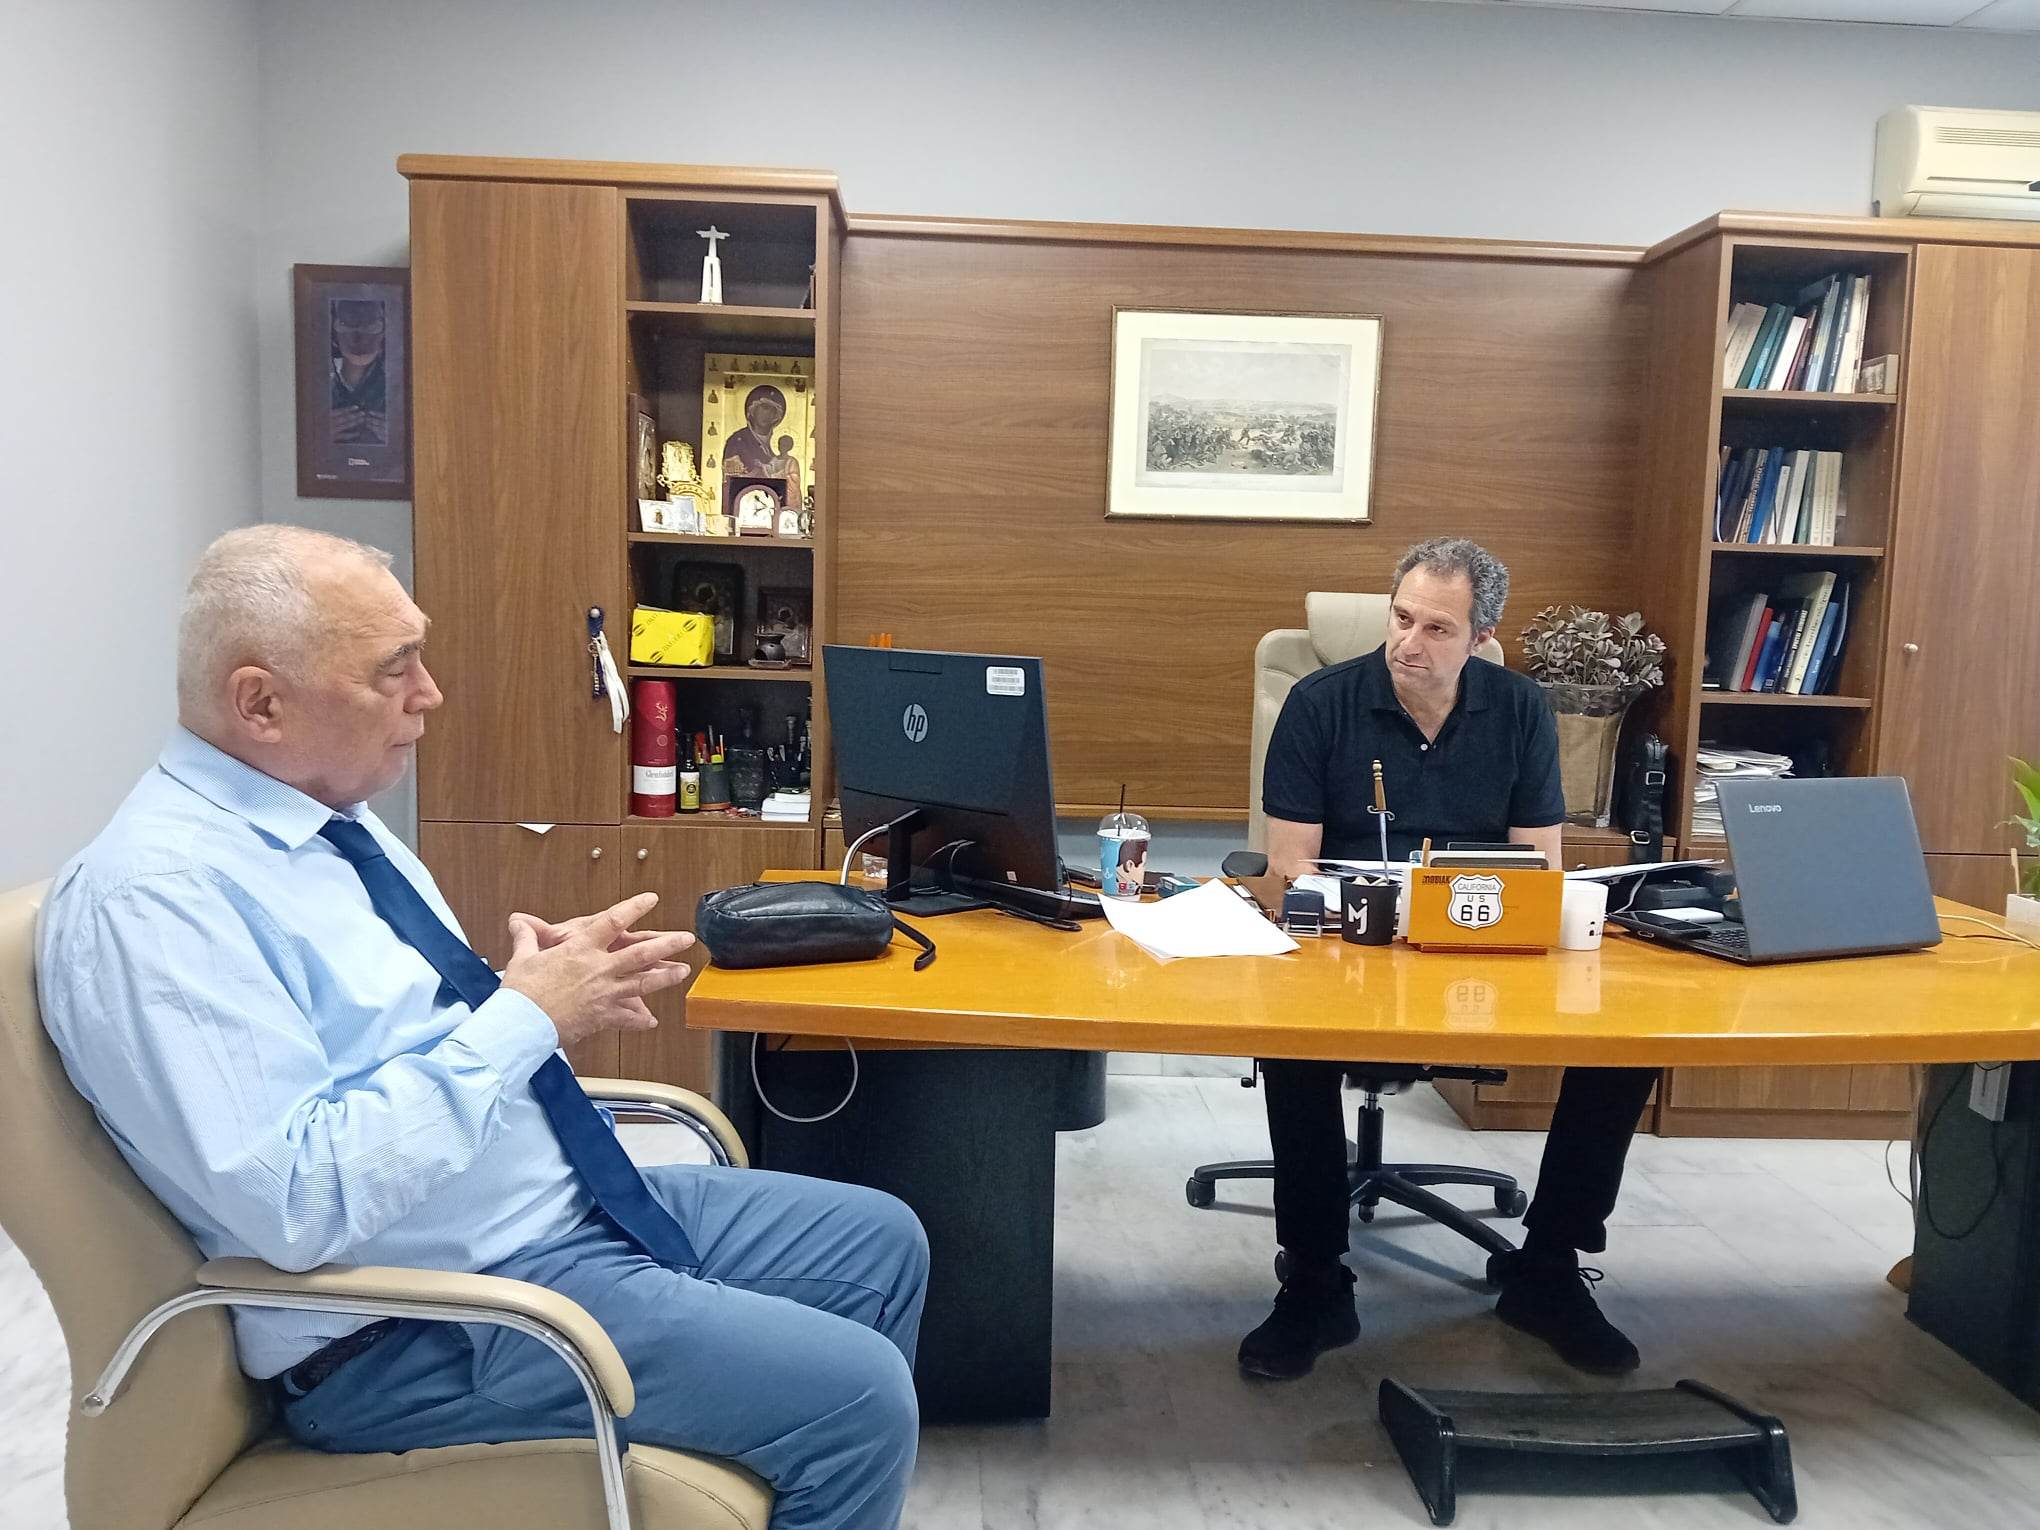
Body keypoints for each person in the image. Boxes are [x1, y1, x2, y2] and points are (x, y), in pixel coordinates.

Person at [38, 526, 928, 1530]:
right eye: (394, 669)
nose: (430, 694)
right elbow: (295, 1202)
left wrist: (524, 991)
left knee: (880, 1244)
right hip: (419, 1323)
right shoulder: (156, 900)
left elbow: (376, 1049)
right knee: (860, 1400)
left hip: (542, 1216)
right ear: (260, 704)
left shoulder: (327, 822)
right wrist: (523, 1017)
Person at [1239, 536, 1655, 1382]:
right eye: (1401, 618)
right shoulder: (1320, 703)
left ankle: (1548, 1268)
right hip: (1354, 949)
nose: (1408, 642)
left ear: (1482, 637)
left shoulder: (1521, 708)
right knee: (1293, 1042)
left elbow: (1539, 866)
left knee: (1626, 1039)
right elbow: (1290, 870)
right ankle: (1314, 1280)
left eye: (1436, 628)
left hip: (1482, 948)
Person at [721, 383, 788, 476]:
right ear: (753, 410)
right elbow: (731, 478)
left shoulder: (773, 446)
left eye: (773, 411)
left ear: (776, 417)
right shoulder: (737, 441)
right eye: (764, 408)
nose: (767, 414)